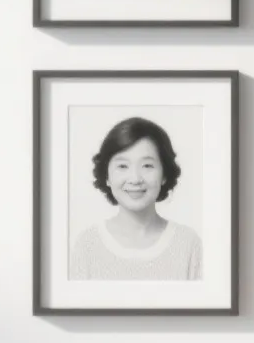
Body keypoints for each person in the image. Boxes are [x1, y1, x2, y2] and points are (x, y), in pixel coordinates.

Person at [70, 116, 204, 281]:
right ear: (107, 176)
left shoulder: (188, 243)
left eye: (147, 166)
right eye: (122, 166)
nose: (135, 178)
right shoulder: (87, 245)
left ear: (164, 174)